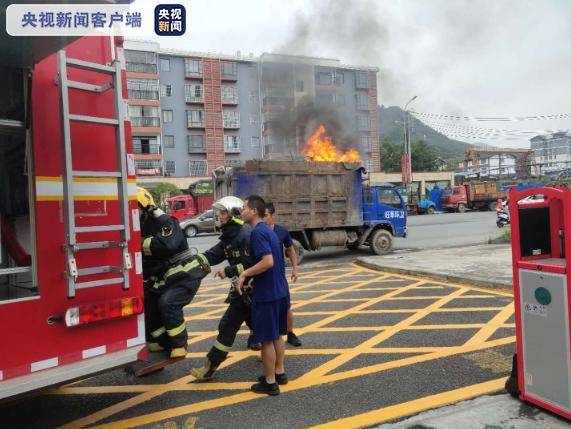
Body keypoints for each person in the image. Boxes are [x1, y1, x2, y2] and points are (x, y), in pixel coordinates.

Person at [138, 187, 211, 359]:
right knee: (148, 304)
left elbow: (167, 245)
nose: (133, 211)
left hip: (184, 274)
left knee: (167, 302)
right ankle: (162, 341)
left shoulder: (166, 221)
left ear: (146, 206)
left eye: (136, 207)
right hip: (162, 276)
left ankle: (179, 344)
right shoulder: (142, 224)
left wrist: (139, 243)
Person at [190, 196, 257, 381]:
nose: (220, 216)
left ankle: (210, 367)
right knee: (256, 321)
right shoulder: (230, 235)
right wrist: (188, 262)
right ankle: (268, 349)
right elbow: (212, 255)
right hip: (242, 289)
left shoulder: (245, 234)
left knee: (227, 325)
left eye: (223, 212)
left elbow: (252, 264)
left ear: (234, 213)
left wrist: (228, 270)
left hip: (250, 289)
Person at [237, 195, 289, 396]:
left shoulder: (257, 232)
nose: (241, 212)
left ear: (253, 211)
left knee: (266, 339)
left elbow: (267, 262)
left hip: (267, 294)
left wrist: (245, 273)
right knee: (276, 335)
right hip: (279, 290)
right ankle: (279, 372)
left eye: (244, 208)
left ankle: (270, 383)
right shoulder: (268, 230)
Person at [263, 202, 302, 347]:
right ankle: (253, 336)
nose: (263, 218)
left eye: (265, 215)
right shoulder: (255, 232)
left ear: (272, 216)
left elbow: (291, 250)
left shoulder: (281, 231)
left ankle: (290, 333)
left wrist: (295, 269)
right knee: (260, 309)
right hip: (261, 278)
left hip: (279, 277)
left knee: (286, 307)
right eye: (261, 215)